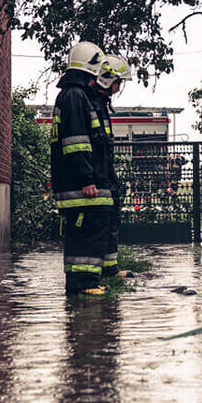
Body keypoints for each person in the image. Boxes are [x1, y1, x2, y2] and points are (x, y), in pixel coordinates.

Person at [50, 41, 115, 296]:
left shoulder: (73, 96)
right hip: (80, 184)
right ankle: (82, 283)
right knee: (86, 231)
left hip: (77, 181)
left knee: (89, 229)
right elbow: (76, 142)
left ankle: (86, 281)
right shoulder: (75, 97)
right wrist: (87, 178)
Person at [93, 54, 134, 279]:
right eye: (119, 82)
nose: (119, 87)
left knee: (112, 221)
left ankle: (110, 268)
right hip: (97, 178)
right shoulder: (92, 103)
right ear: (108, 80)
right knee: (100, 224)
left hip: (105, 176)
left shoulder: (101, 105)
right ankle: (97, 272)